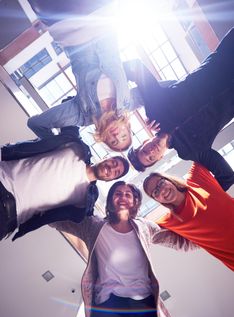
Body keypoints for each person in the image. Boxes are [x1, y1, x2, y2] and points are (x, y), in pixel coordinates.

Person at [51, 181, 199, 317]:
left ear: (135, 202)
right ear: (110, 201)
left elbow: (180, 242)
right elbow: (58, 221)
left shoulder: (145, 227)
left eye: (128, 194)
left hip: (145, 304)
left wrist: (212, 238)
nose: (122, 197)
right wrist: (31, 213)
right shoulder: (94, 225)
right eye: (117, 193)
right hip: (108, 305)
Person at [126, 27, 234, 191]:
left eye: (144, 150)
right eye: (150, 159)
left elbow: (135, 67)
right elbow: (227, 176)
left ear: (145, 142)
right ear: (160, 158)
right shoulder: (190, 152)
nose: (150, 152)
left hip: (227, 57)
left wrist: (110, 100)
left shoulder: (155, 110)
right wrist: (191, 200)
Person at [27, 0, 141, 151]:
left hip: (69, 29)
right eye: (124, 136)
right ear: (127, 127)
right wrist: (159, 117)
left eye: (113, 142)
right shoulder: (130, 102)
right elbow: (165, 89)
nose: (117, 136)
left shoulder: (82, 116)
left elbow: (35, 123)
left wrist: (60, 146)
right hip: (102, 17)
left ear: (104, 138)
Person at [0, 134, 129, 241]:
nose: (112, 168)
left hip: (8, 214)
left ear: (110, 180)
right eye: (114, 162)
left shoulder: (84, 202)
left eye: (116, 172)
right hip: (3, 177)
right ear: (106, 157)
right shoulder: (76, 147)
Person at [143, 162, 234, 271]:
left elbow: (200, 151)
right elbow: (144, 231)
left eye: (161, 183)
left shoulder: (196, 179)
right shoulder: (168, 222)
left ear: (168, 180)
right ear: (157, 199)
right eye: (156, 192)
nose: (162, 191)